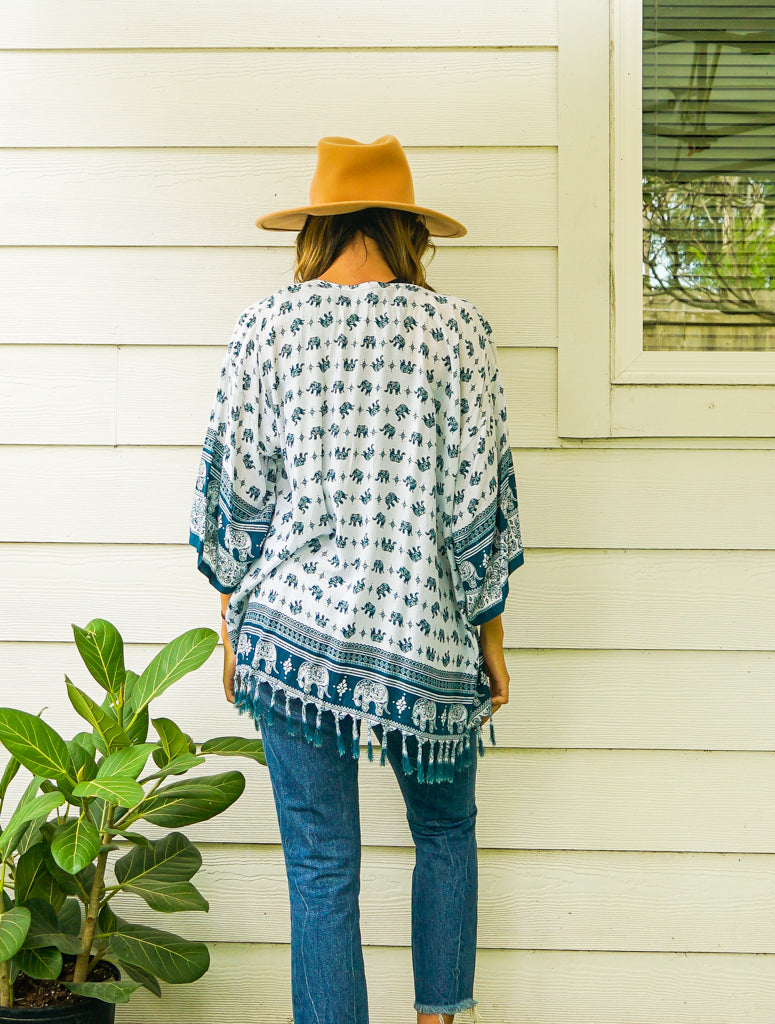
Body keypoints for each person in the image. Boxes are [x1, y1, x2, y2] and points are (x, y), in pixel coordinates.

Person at [189, 135, 525, 1024]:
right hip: (428, 632)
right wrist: (490, 639)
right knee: (446, 834)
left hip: (294, 634)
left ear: (317, 228)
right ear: (407, 229)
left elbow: (239, 499)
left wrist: (233, 633)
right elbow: (477, 504)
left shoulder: (267, 326)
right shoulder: (456, 331)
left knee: (322, 864)